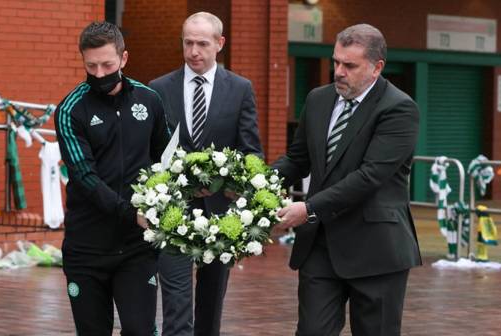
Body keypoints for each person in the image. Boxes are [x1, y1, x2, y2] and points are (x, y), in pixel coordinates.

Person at [273, 24, 421, 336]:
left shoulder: (399, 108)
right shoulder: (318, 99)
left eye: (349, 65)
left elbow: (369, 176)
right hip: (320, 247)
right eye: (336, 62)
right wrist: (252, 186)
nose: (339, 72)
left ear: (376, 67)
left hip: (377, 250)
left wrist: (308, 208)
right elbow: (297, 159)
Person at [149, 11, 263, 336]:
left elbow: (251, 150)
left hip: (220, 211)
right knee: (175, 298)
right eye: (188, 43)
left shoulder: (240, 89)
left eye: (202, 43)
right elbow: (150, 151)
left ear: (219, 43)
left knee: (212, 299)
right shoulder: (159, 88)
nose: (194, 51)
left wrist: (238, 186)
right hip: (173, 210)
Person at [54, 21, 169, 335]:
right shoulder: (70, 110)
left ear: (124, 58)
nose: (100, 73)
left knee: (140, 329)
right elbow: (84, 177)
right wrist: (131, 214)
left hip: (136, 249)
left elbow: (167, 161)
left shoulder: (150, 100)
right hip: (86, 249)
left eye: (107, 64)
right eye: (91, 66)